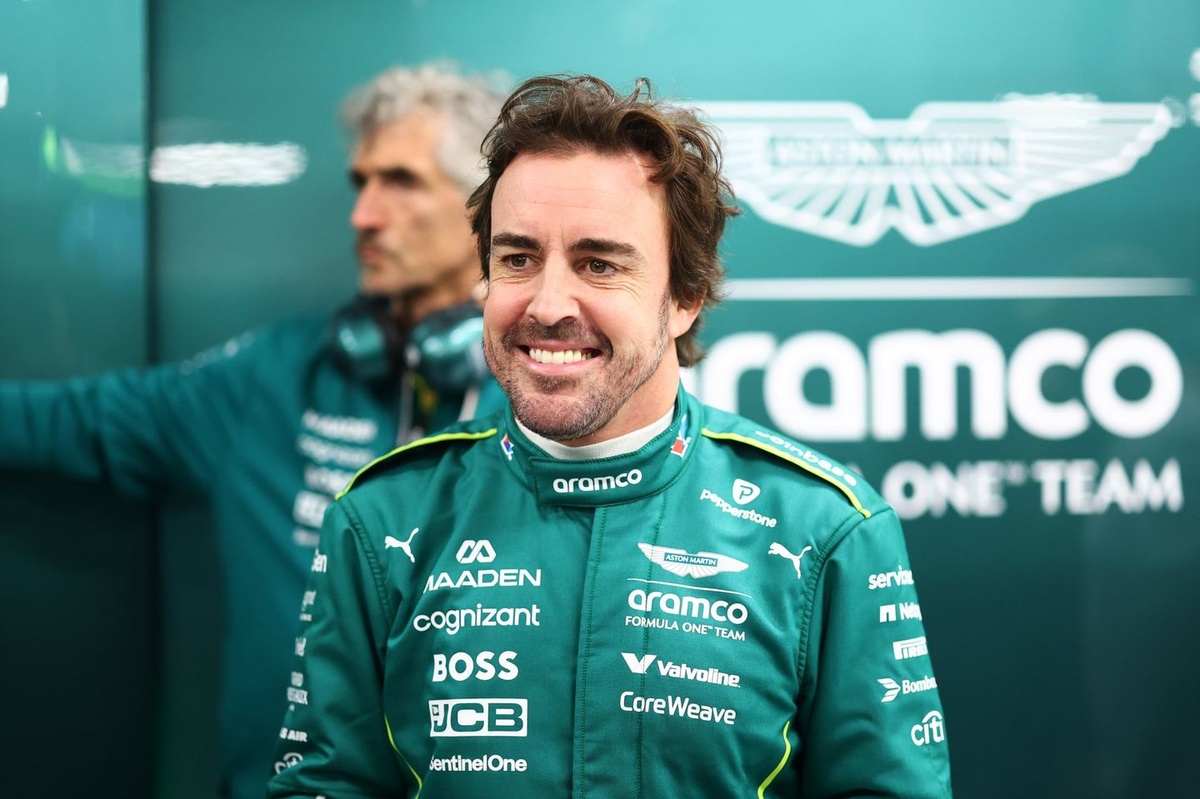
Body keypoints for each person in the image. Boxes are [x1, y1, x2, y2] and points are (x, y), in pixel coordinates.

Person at [267, 74, 953, 798]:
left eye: (599, 264)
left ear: (684, 297)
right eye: (518, 258)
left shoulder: (826, 529)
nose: (548, 304)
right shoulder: (380, 519)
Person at [0, 63, 508, 799]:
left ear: (484, 210)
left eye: (401, 181)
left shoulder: (545, 400)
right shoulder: (276, 376)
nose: (363, 215)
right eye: (360, 182)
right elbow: (74, 422)